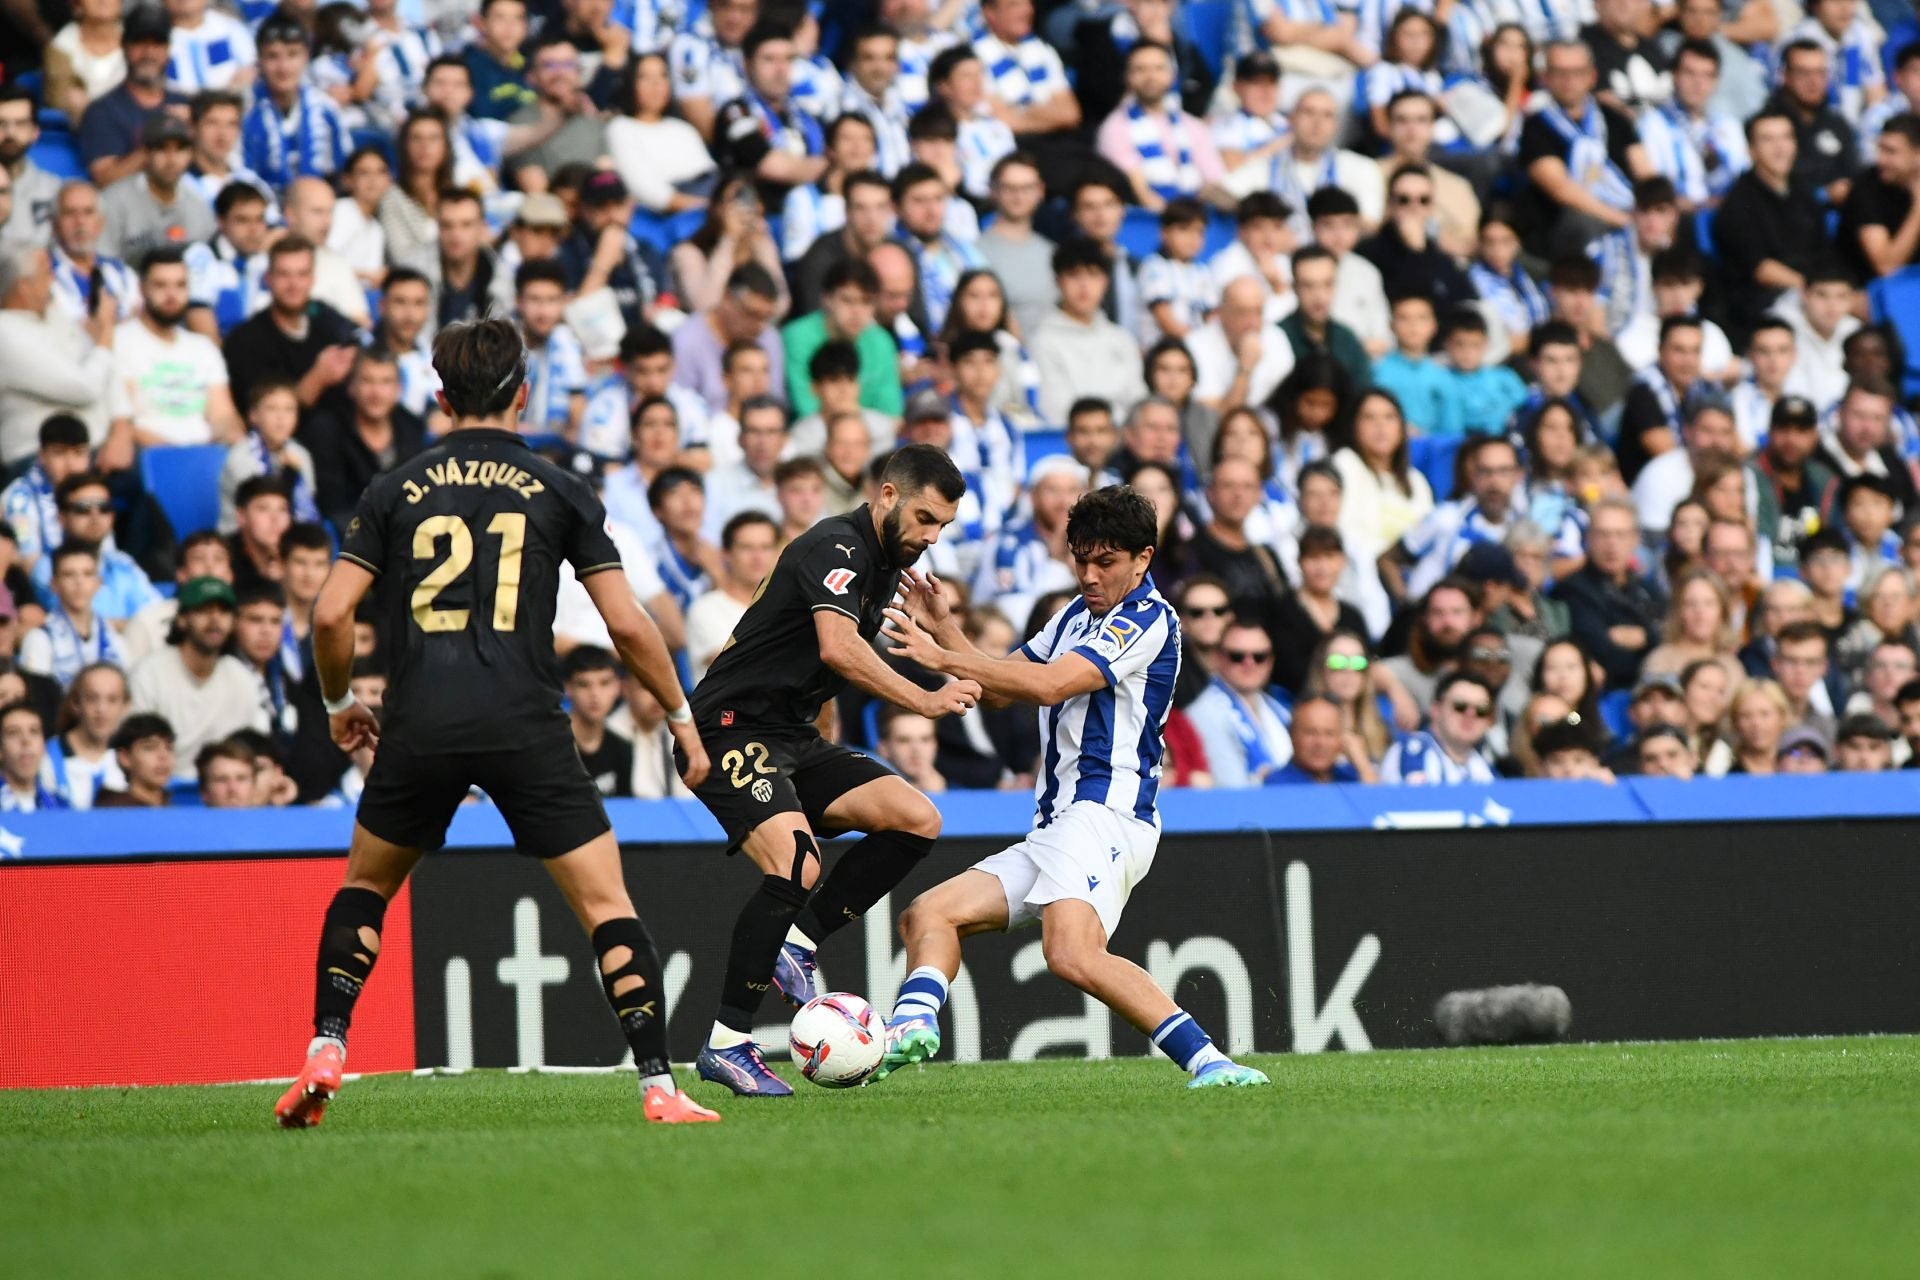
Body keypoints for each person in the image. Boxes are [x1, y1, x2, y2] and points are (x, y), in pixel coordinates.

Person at [274, 315, 715, 1128]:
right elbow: (626, 624)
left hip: (418, 723)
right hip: (524, 723)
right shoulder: (560, 488)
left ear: (441, 398)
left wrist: (339, 705)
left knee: (366, 887)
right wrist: (681, 717)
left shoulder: (394, 489)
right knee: (606, 906)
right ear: (524, 393)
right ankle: (659, 1085)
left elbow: (331, 613)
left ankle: (327, 1047)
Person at [874, 483, 1267, 1089]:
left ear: (1143, 558)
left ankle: (1211, 1063)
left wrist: (942, 657)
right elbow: (1001, 687)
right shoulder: (1074, 617)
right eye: (1080, 559)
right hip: (1058, 823)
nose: (1089, 574)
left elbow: (1052, 685)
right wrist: (947, 629)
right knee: (928, 915)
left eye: (1105, 561)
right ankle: (911, 1027)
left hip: (1104, 813)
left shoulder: (1147, 618)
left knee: (1071, 953)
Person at [680, 444, 976, 1098]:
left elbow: (823, 670)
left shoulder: (882, 565)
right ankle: (727, 1044)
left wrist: (827, 747)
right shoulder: (836, 546)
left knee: (916, 819)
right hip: (728, 730)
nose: (932, 537)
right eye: (925, 518)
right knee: (795, 865)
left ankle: (798, 942)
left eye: (944, 526)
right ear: (888, 495)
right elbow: (838, 649)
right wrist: (926, 698)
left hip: (793, 737)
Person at [108, 246, 240, 454]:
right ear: (142, 289)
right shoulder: (118, 341)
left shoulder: (203, 348)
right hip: (147, 457)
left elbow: (223, 415)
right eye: (161, 285)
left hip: (205, 455)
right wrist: (179, 456)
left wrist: (227, 438)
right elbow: (124, 422)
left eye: (180, 285)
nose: (172, 295)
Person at [0, 245, 115, 470]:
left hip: (98, 448)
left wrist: (121, 427)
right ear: (24, 287)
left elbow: (108, 369)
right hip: (40, 457)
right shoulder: (5, 331)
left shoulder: (57, 316)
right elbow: (84, 387)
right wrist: (106, 332)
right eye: (47, 273)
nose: (54, 279)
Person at [221, 236, 362, 419]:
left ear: (312, 279)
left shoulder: (326, 320)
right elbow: (269, 419)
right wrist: (318, 378)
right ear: (268, 279)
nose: (293, 285)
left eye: (302, 274)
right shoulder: (245, 341)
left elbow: (362, 338)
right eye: (284, 275)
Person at [305, 347, 429, 535]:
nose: (376, 392)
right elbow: (332, 504)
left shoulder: (412, 427)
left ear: (399, 389)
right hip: (346, 538)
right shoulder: (327, 429)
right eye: (367, 381)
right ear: (351, 387)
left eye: (386, 382)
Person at [1030, 239, 1149, 424]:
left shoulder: (1122, 338)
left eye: (1093, 274)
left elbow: (1138, 403)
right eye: (1074, 275)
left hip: (1126, 437)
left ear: (1105, 282)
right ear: (1058, 281)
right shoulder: (1042, 340)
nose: (1084, 285)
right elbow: (1054, 409)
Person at [76, 6, 188, 190]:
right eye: (140, 43)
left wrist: (197, 133)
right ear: (124, 46)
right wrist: (162, 137)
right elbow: (105, 179)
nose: (148, 53)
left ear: (168, 49)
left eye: (157, 44)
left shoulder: (183, 103)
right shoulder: (102, 111)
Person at [241, 17, 352, 191]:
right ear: (259, 60)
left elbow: (344, 167)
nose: (283, 67)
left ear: (306, 56)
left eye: (292, 54)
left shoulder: (325, 108)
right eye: (272, 56)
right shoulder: (244, 109)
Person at [32, 473, 159, 623]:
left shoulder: (123, 562)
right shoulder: (48, 567)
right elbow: (77, 623)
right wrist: (135, 626)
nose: (95, 516)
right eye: (83, 509)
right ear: (62, 518)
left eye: (104, 508)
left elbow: (156, 614)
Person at [1185, 614, 1293, 787]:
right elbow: (1231, 787)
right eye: (1237, 656)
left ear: (1271, 660)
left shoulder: (1279, 706)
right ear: (1217, 658)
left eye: (1259, 656)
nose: (1249, 663)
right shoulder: (1205, 713)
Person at [98, 115, 216, 264]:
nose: (171, 160)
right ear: (146, 154)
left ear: (190, 154)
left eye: (180, 149)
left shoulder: (198, 204)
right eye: (162, 149)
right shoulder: (114, 201)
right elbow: (102, 263)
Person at [685, 511, 778, 682]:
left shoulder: (788, 607)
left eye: (765, 547)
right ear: (725, 554)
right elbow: (735, 668)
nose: (757, 557)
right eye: (746, 547)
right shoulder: (705, 609)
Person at [19, 542, 125, 690]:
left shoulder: (114, 639)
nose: (79, 582)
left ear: (98, 583)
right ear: (54, 584)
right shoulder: (39, 639)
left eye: (87, 574)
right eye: (69, 574)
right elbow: (38, 697)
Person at [1380, 670, 1498, 784]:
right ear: (1436, 709)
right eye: (1460, 706)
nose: (1470, 715)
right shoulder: (1412, 751)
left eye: (1481, 710)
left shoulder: (1485, 769)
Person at [49, 661, 130, 809]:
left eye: (112, 700)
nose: (101, 709)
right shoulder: (46, 757)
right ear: (76, 703)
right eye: (92, 698)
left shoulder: (131, 758)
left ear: (125, 705)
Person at [92, 711, 177, 807]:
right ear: (125, 757)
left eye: (169, 748)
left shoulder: (180, 807)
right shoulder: (112, 810)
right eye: (150, 748)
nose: (163, 756)